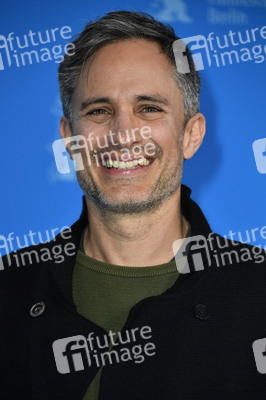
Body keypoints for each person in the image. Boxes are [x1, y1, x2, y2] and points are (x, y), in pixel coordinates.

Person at [1, 11, 266, 400]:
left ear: (191, 135)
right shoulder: (9, 290)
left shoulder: (259, 294)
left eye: (149, 108)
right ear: (69, 138)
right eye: (98, 111)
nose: (124, 135)